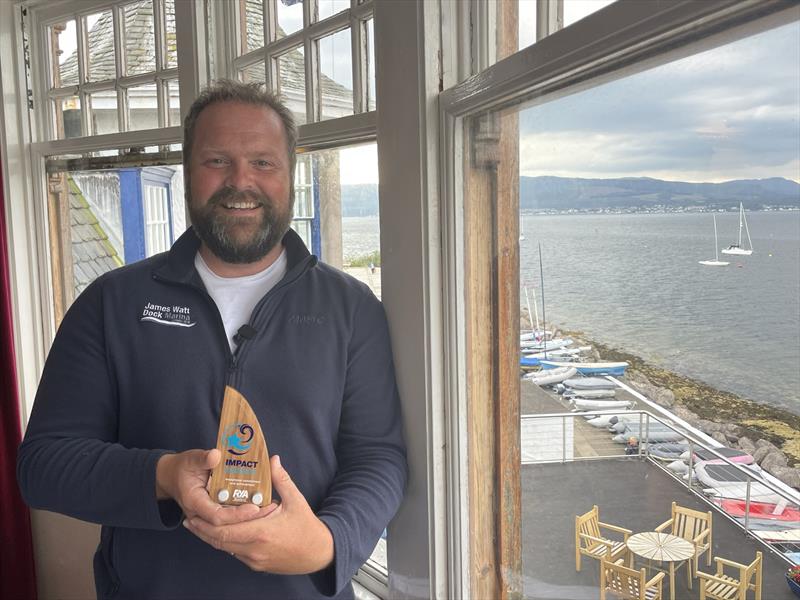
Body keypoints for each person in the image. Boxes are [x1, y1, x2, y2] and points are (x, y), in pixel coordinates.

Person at [17, 80, 407, 600]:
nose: (240, 181)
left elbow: (378, 457)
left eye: (263, 163)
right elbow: (44, 466)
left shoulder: (352, 309)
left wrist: (327, 543)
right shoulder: (112, 303)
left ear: (291, 175)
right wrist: (162, 475)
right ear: (187, 176)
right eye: (217, 161)